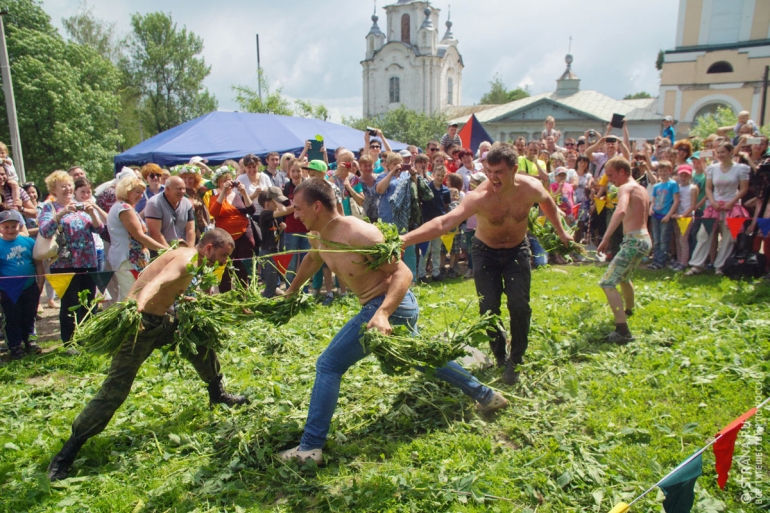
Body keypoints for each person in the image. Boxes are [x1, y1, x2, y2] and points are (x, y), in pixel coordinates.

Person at [278, 179, 508, 464]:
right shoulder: (318, 235)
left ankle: (310, 448)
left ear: (316, 206)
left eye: (298, 208)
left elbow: (404, 274)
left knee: (329, 364)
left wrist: (383, 313)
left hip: (391, 305)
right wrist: (291, 292)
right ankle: (487, 396)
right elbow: (313, 258)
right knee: (425, 358)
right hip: (381, 305)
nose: (295, 214)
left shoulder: (359, 233)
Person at [47, 229, 248, 481]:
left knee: (201, 340)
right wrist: (137, 307)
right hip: (141, 326)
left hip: (163, 321)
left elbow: (167, 287)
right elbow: (157, 282)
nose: (223, 262)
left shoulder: (193, 259)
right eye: (222, 255)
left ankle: (217, 393)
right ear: (208, 248)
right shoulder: (187, 261)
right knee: (115, 389)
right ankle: (68, 452)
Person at [402, 143, 572, 385]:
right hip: (485, 253)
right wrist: (404, 240)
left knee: (520, 305)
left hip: (517, 251)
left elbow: (548, 204)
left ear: (514, 169)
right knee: (489, 309)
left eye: (499, 172)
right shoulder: (479, 197)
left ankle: (516, 358)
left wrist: (562, 232)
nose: (493, 177)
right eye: (489, 171)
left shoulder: (531, 188)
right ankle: (500, 354)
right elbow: (443, 223)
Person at [39, 171, 106, 344]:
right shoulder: (50, 208)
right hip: (64, 263)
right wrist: (61, 215)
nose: (68, 189)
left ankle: (89, 338)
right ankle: (70, 341)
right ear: (54, 190)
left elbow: (99, 230)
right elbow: (45, 231)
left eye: (69, 185)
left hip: (87, 260)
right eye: (63, 186)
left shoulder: (81, 205)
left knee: (89, 301)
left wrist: (92, 214)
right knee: (70, 303)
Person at [596, 156, 651, 343]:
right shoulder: (641, 188)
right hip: (644, 238)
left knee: (607, 282)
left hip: (634, 240)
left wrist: (606, 238)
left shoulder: (625, 188)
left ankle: (622, 330)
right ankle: (628, 310)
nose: (609, 180)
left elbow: (620, 211)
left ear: (622, 171)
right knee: (624, 277)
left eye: (611, 175)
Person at [686, 142, 750, 275]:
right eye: (718, 152)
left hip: (732, 206)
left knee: (729, 237)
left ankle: (720, 266)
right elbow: (709, 187)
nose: (720, 155)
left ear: (730, 152)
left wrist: (732, 202)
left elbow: (744, 188)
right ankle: (697, 264)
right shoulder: (712, 168)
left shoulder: (740, 168)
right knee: (704, 234)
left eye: (723, 152)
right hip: (713, 206)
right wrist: (713, 201)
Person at [107, 176, 168, 301]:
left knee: (129, 296)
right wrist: (166, 250)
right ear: (126, 191)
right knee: (131, 298)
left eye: (142, 192)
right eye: (137, 192)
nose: (141, 196)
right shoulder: (124, 208)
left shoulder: (122, 207)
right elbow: (139, 235)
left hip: (130, 259)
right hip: (128, 260)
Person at [0, 210, 45, 359]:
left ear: (20, 226)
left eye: (14, 226)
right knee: (12, 317)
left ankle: (30, 341)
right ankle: (15, 344)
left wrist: (40, 281)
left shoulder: (29, 242)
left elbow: (38, 263)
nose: (11, 230)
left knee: (29, 314)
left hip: (29, 285)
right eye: (6, 227)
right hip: (9, 289)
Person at [208, 166, 256, 292]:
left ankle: (243, 300)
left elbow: (252, 210)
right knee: (225, 272)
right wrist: (223, 192)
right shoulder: (215, 198)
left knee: (242, 272)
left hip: (243, 237)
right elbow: (214, 212)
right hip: (224, 240)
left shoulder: (239, 195)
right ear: (219, 183)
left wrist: (244, 192)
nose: (228, 184)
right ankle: (227, 299)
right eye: (224, 181)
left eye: (229, 180)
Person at [417, 165, 449, 283]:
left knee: (437, 249)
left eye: (442, 176)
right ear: (433, 174)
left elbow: (445, 207)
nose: (440, 177)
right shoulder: (427, 188)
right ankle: (421, 274)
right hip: (427, 223)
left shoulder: (445, 191)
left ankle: (436, 273)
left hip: (439, 224)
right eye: (438, 175)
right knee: (425, 250)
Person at [258, 187, 292, 298]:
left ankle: (269, 298)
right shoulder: (265, 214)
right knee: (270, 283)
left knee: (273, 280)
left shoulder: (273, 217)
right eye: (276, 202)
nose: (279, 204)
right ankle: (264, 304)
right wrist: (279, 203)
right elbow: (284, 211)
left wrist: (281, 229)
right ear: (267, 203)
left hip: (274, 250)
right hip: (267, 252)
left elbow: (272, 234)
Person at [145, 176, 196, 250]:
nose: (182, 192)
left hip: (181, 246)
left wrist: (190, 250)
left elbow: (190, 229)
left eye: (184, 188)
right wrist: (170, 252)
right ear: (167, 189)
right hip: (159, 249)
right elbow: (155, 233)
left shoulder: (187, 203)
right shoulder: (154, 203)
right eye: (179, 189)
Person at [647, 161, 679, 271]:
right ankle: (655, 260)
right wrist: (651, 209)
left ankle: (661, 261)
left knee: (663, 240)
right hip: (656, 215)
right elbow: (654, 200)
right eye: (660, 171)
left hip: (665, 215)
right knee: (655, 239)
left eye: (665, 170)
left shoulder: (673, 184)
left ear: (670, 171)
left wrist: (669, 215)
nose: (663, 173)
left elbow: (676, 201)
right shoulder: (657, 186)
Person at [671, 165, 697, 272]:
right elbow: (675, 202)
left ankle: (684, 262)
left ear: (690, 176)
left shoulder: (693, 188)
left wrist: (684, 214)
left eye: (686, 175)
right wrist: (675, 213)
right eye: (681, 175)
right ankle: (679, 260)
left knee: (683, 240)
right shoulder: (677, 187)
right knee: (678, 239)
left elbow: (693, 205)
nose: (683, 177)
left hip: (687, 217)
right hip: (677, 215)